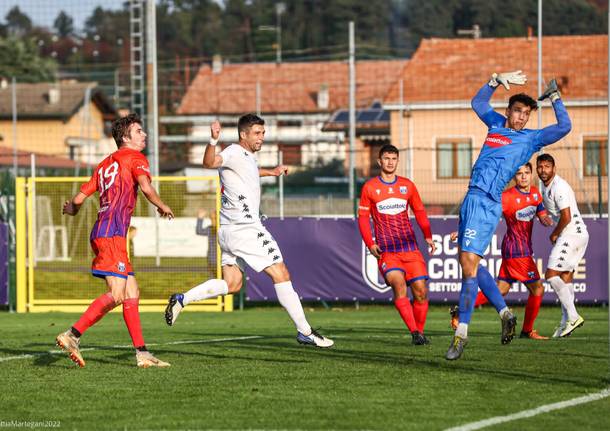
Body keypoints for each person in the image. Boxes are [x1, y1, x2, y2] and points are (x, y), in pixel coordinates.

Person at [165, 114, 333, 348]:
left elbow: (250, 171)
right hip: (246, 228)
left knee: (232, 284)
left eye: (263, 133)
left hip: (228, 231)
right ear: (243, 134)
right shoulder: (233, 151)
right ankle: (305, 331)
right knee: (281, 273)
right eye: (256, 133)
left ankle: (183, 299)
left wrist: (272, 172)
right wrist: (213, 141)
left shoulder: (247, 158)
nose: (261, 138)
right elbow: (210, 163)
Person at [446, 73, 572, 360]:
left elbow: (565, 126)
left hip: (488, 200)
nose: (522, 117)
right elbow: (477, 103)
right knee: (471, 264)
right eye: (518, 111)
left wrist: (554, 98)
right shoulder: (496, 125)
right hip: (471, 199)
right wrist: (494, 80)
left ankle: (461, 334)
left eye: (527, 114)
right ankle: (504, 313)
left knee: (468, 266)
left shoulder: (531, 139)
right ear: (509, 111)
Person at [55, 114, 174, 368]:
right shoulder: (135, 158)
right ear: (125, 137)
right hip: (112, 235)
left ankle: (142, 354)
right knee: (117, 293)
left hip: (105, 232)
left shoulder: (104, 164)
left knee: (132, 292)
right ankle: (72, 335)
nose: (144, 134)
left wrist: (72, 210)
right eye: (139, 131)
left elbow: (78, 200)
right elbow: (146, 188)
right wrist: (162, 205)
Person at [449, 163, 553, 340]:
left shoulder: (536, 192)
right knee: (538, 289)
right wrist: (461, 231)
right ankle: (528, 330)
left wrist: (544, 218)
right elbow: (485, 215)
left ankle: (460, 311)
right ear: (513, 177)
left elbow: (540, 211)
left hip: (517, 250)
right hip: (517, 252)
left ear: (531, 174)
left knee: (501, 290)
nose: (523, 177)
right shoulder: (506, 197)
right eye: (519, 174)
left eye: (527, 173)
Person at [358, 144, 436, 345]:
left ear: (397, 161)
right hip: (388, 251)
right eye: (386, 158)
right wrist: (370, 243)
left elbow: (419, 211)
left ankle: (419, 332)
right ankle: (415, 333)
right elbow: (363, 218)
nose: (390, 162)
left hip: (410, 249)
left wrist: (427, 235)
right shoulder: (370, 187)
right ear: (379, 161)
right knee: (399, 285)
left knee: (421, 291)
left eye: (394, 159)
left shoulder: (407, 186)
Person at [536, 153, 587, 337]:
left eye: (547, 167)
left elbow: (566, 216)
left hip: (572, 233)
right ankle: (566, 323)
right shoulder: (545, 187)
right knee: (565, 276)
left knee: (550, 275)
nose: (543, 170)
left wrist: (555, 232)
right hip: (577, 234)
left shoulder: (559, 187)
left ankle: (573, 316)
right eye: (540, 167)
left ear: (554, 168)